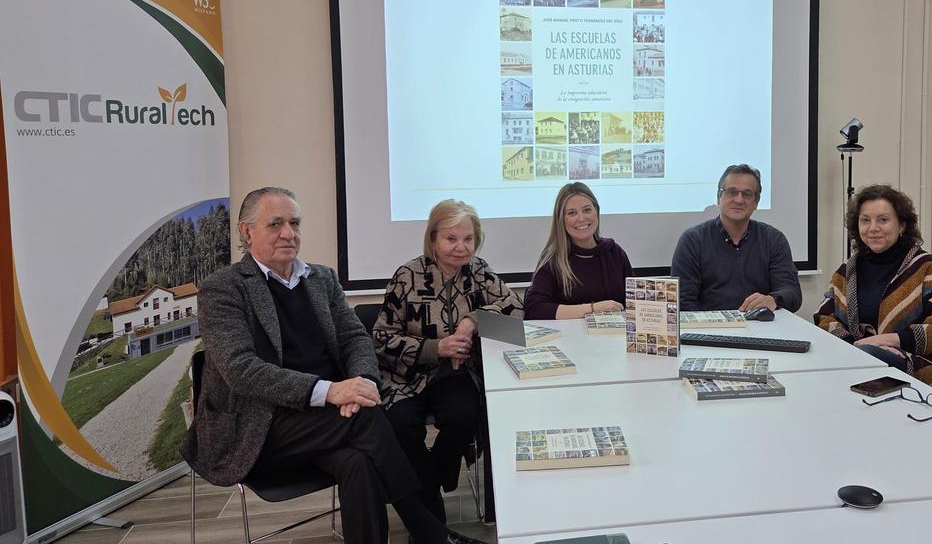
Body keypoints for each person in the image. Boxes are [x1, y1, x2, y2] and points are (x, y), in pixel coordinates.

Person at [180, 187, 482, 544]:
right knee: (367, 418)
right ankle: (432, 534)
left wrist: (362, 383)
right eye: (275, 224)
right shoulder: (223, 288)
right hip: (260, 426)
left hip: (331, 418)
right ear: (247, 232)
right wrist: (331, 391)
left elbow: (356, 339)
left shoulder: (321, 278)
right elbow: (241, 369)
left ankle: (426, 533)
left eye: (294, 223)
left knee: (358, 461)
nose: (288, 233)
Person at [374, 199, 522, 522]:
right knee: (400, 423)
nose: (460, 247)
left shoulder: (479, 271)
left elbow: (516, 310)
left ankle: (427, 487)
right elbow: (381, 339)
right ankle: (431, 502)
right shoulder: (407, 275)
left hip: (457, 375)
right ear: (433, 239)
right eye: (451, 239)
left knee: (464, 415)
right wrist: (436, 347)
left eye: (468, 239)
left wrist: (471, 321)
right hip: (407, 376)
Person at [814, 185, 932, 391]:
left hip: (920, 372)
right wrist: (854, 345)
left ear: (902, 225)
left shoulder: (927, 266)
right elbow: (824, 317)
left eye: (883, 220)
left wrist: (892, 341)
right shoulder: (848, 270)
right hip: (856, 364)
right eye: (865, 220)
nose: (873, 228)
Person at [670, 164, 802, 312]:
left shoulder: (773, 239)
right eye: (732, 192)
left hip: (759, 324)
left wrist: (773, 299)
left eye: (747, 194)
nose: (739, 200)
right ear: (719, 197)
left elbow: (792, 293)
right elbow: (683, 302)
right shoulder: (692, 240)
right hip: (708, 324)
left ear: (756, 202)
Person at [524, 182, 634, 319]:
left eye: (587, 210)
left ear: (596, 212)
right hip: (569, 333)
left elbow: (634, 301)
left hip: (614, 332)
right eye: (572, 213)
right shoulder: (553, 259)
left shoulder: (614, 252)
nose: (581, 218)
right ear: (561, 220)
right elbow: (534, 309)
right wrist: (592, 309)